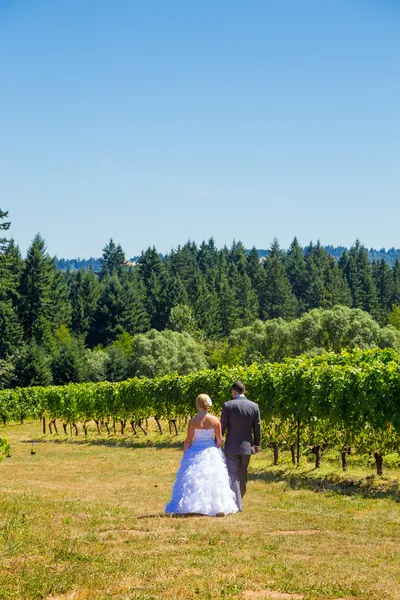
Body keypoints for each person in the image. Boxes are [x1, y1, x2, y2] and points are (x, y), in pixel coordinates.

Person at [165, 394, 238, 517]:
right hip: (210, 450)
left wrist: (186, 453)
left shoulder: (193, 421)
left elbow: (188, 439)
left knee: (193, 478)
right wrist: (217, 449)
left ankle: (192, 505)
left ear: (197, 404)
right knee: (214, 479)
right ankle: (217, 506)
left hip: (195, 450)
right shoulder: (215, 420)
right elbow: (219, 439)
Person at [220, 380, 261, 511]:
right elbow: (257, 427)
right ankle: (239, 499)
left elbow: (222, 426)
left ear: (234, 391)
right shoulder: (254, 406)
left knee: (233, 474)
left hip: (231, 445)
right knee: (243, 474)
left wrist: (218, 441)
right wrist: (257, 444)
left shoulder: (228, 406)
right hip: (247, 447)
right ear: (244, 391)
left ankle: (237, 505)